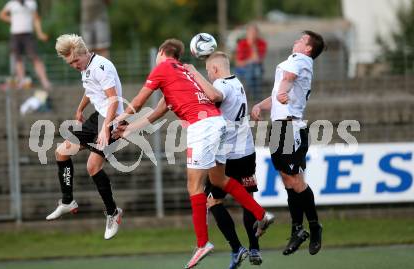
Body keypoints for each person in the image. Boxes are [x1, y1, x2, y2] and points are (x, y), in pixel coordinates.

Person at [111, 39, 274, 269]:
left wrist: (117, 119)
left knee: (194, 187)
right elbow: (157, 112)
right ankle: (261, 214)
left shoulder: (163, 68)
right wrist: (127, 129)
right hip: (217, 124)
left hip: (202, 128)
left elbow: (139, 101)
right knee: (218, 179)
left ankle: (202, 243)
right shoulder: (185, 73)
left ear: (161, 53)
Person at [184, 51, 264, 269]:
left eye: (209, 71)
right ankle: (254, 247)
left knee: (213, 201)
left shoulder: (221, 85)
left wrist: (194, 74)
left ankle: (237, 248)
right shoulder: (237, 82)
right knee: (248, 198)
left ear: (216, 70)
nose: (208, 75)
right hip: (246, 151)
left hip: (226, 156)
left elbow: (214, 97)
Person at [251, 30, 325, 256]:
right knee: (286, 178)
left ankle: (313, 226)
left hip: (290, 127)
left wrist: (282, 92)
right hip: (279, 127)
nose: (296, 41)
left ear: (308, 48)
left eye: (301, 40)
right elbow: (279, 92)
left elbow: (286, 82)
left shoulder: (300, 59)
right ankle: (298, 230)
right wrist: (261, 105)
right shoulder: (295, 61)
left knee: (296, 179)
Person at [46, 34, 123, 240]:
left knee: (92, 167)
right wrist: (80, 109)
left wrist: (105, 129)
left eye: (75, 61)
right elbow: (90, 90)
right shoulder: (87, 67)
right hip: (98, 117)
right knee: (61, 153)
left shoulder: (100, 66)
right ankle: (68, 201)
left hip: (113, 119)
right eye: (70, 63)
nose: (74, 65)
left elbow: (113, 100)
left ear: (84, 53)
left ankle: (113, 213)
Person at [0, 0, 51, 90]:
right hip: (15, 34)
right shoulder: (11, 4)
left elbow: (36, 19)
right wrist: (12, 20)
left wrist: (40, 33)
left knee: (35, 57)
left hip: (28, 35)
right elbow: (1, 15)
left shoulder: (31, 3)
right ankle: (22, 81)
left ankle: (45, 81)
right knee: (17, 58)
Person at [234, 24, 267, 101]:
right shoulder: (241, 44)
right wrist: (250, 61)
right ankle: (256, 96)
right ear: (247, 33)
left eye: (254, 33)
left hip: (257, 67)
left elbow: (258, 60)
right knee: (254, 71)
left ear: (257, 34)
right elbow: (238, 63)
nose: (253, 35)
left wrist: (253, 45)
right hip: (243, 68)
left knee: (255, 69)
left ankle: (248, 95)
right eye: (251, 33)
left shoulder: (262, 43)